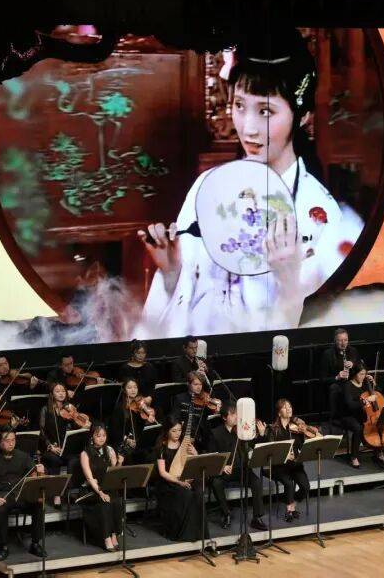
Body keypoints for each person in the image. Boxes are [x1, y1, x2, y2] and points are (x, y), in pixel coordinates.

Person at [138, 29, 359, 336]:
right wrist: (172, 272)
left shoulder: (322, 215)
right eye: (240, 106)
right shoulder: (207, 187)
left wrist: (289, 282)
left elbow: (325, 334)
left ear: (303, 116)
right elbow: (181, 310)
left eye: (265, 111)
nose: (248, 128)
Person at [0, 429, 47, 560]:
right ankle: (3, 546)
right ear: (0, 442)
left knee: (39, 505)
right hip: (2, 495)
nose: (11, 443)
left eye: (13, 440)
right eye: (7, 440)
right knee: (0, 509)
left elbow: (35, 472)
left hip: (20, 493)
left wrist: (40, 469)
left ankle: (35, 543)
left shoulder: (23, 456)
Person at [208, 403, 269, 530]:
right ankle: (226, 513)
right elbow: (212, 456)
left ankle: (256, 517)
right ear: (224, 417)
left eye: (237, 414)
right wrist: (223, 466)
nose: (236, 417)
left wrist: (262, 434)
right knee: (216, 483)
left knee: (256, 482)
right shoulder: (215, 433)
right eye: (233, 414)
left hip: (242, 468)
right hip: (225, 471)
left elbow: (254, 445)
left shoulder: (242, 430)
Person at [152, 418, 204, 541]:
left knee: (198, 492)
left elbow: (194, 464)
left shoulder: (185, 444)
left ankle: (198, 533)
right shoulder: (162, 448)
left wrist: (195, 453)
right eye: (174, 431)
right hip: (168, 483)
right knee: (186, 494)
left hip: (184, 478)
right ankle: (184, 534)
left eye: (179, 430)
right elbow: (163, 472)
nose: (177, 434)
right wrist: (179, 482)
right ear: (167, 431)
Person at [336, 362, 384, 468]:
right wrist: (366, 401)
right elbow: (350, 405)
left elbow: (379, 395)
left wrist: (374, 383)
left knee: (378, 423)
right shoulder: (347, 385)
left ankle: (378, 452)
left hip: (365, 414)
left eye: (364, 374)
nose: (363, 376)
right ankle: (354, 457)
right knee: (358, 428)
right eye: (361, 374)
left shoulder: (366, 384)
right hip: (349, 415)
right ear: (354, 374)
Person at [78, 424, 123, 551]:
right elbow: (89, 478)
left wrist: (119, 462)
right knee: (105, 503)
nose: (102, 438)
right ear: (92, 437)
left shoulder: (109, 450)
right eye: (98, 436)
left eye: (104, 435)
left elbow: (114, 472)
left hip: (107, 485)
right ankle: (106, 537)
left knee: (116, 500)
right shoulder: (85, 454)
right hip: (91, 489)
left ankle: (114, 534)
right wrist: (100, 493)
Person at [269, 399, 314, 522]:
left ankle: (291, 501)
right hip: (280, 466)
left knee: (306, 487)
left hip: (295, 465)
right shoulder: (273, 430)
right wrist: (284, 455)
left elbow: (302, 446)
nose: (289, 409)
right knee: (288, 483)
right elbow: (271, 450)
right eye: (285, 407)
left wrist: (304, 433)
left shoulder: (296, 428)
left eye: (289, 406)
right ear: (279, 413)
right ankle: (290, 510)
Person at [38, 382, 87, 479]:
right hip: (53, 448)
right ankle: (56, 487)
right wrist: (50, 446)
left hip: (68, 449)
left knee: (74, 461)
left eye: (63, 391)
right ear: (52, 394)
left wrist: (78, 420)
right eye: (57, 391)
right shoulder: (45, 410)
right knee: (54, 460)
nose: (61, 393)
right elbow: (41, 431)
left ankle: (71, 487)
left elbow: (79, 425)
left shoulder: (70, 408)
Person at [109, 378, 157, 465]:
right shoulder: (120, 408)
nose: (133, 390)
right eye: (129, 388)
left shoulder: (140, 405)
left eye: (135, 387)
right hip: (123, 443)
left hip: (137, 441)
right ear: (124, 390)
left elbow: (140, 425)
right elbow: (114, 430)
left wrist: (148, 418)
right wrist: (127, 439)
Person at [171, 372, 219, 450]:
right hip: (186, 435)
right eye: (195, 384)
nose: (199, 387)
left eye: (200, 384)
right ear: (188, 384)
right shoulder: (180, 398)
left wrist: (216, 408)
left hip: (204, 436)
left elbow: (212, 410)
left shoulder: (205, 398)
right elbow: (176, 418)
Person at [320, 328, 358, 414]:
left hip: (352, 382)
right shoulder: (328, 354)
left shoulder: (353, 351)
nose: (343, 343)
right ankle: (336, 417)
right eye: (340, 340)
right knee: (335, 388)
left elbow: (360, 366)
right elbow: (322, 379)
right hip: (338, 384)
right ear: (335, 341)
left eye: (345, 340)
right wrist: (337, 377)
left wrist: (353, 364)